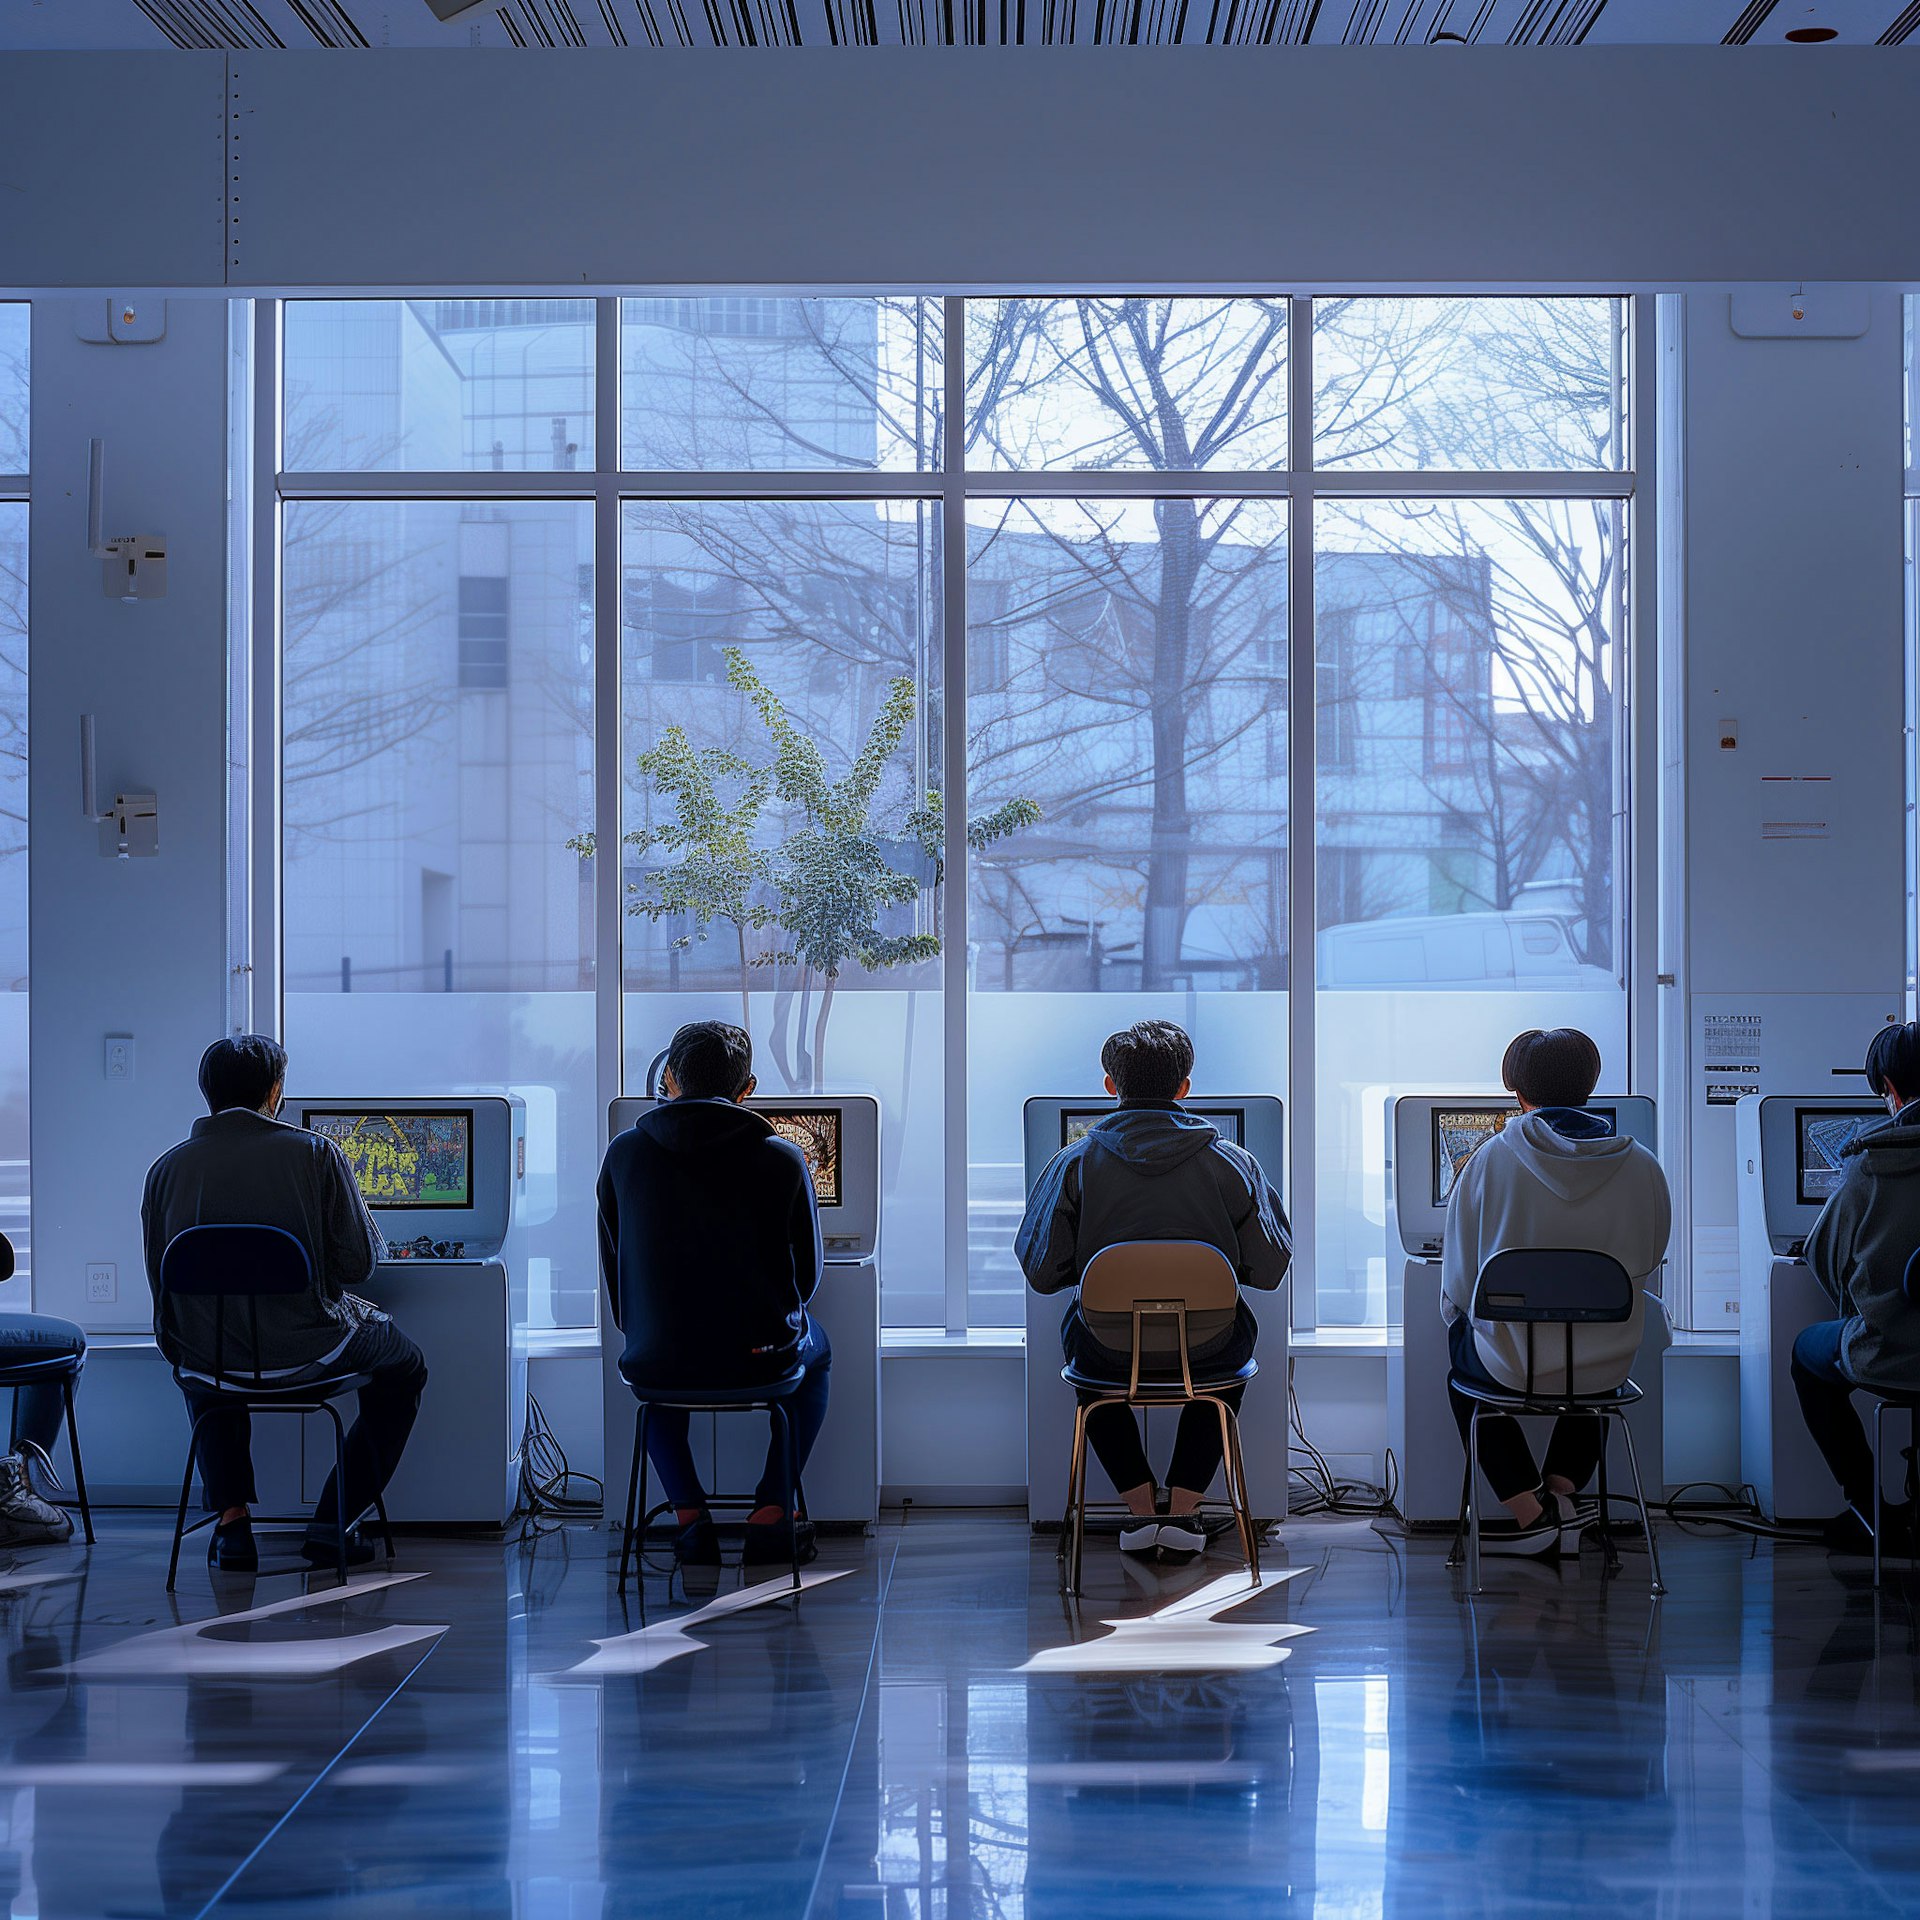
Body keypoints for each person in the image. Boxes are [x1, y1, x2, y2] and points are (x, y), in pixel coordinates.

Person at [142, 1035, 428, 1573]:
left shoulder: (164, 1170)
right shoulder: (315, 1152)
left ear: (206, 1092)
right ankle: (333, 1519)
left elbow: (163, 1281)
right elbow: (361, 1264)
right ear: (275, 1091)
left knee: (207, 1364)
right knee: (406, 1367)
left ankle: (232, 1528)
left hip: (210, 1356)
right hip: (309, 1352)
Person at [1015, 1019, 1291, 1561]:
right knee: (1228, 1365)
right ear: (1184, 1087)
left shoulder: (1070, 1164)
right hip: (1208, 1349)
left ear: (1109, 1087)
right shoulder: (1235, 1163)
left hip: (1110, 1352)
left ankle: (1143, 1511)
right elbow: (1270, 1266)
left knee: (1086, 1356)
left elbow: (1043, 1273)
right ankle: (1182, 1512)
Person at [598, 1020, 829, 1582]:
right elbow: (809, 1280)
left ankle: (690, 1517)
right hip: (760, 1357)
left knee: (658, 1381)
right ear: (747, 1089)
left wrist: (650, 1327)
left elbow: (615, 1267)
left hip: (657, 1356)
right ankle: (773, 1511)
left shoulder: (623, 1154)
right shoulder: (782, 1158)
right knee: (818, 1352)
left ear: (669, 1078)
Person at [1442, 1028, 1672, 1559]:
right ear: (1592, 1086)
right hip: (1606, 1361)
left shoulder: (1487, 1160)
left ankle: (1531, 1513)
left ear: (1519, 1093)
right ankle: (1564, 1492)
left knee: (1462, 1374)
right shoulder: (1643, 1166)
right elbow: (1650, 1261)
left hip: (1510, 1362)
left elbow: (1457, 1282)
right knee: (1591, 1368)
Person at [1795, 1020, 1920, 1553]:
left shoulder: (1869, 1163)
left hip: (1891, 1351)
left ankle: (1872, 1513)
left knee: (1807, 1355)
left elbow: (1824, 1258)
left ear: (1889, 1088)